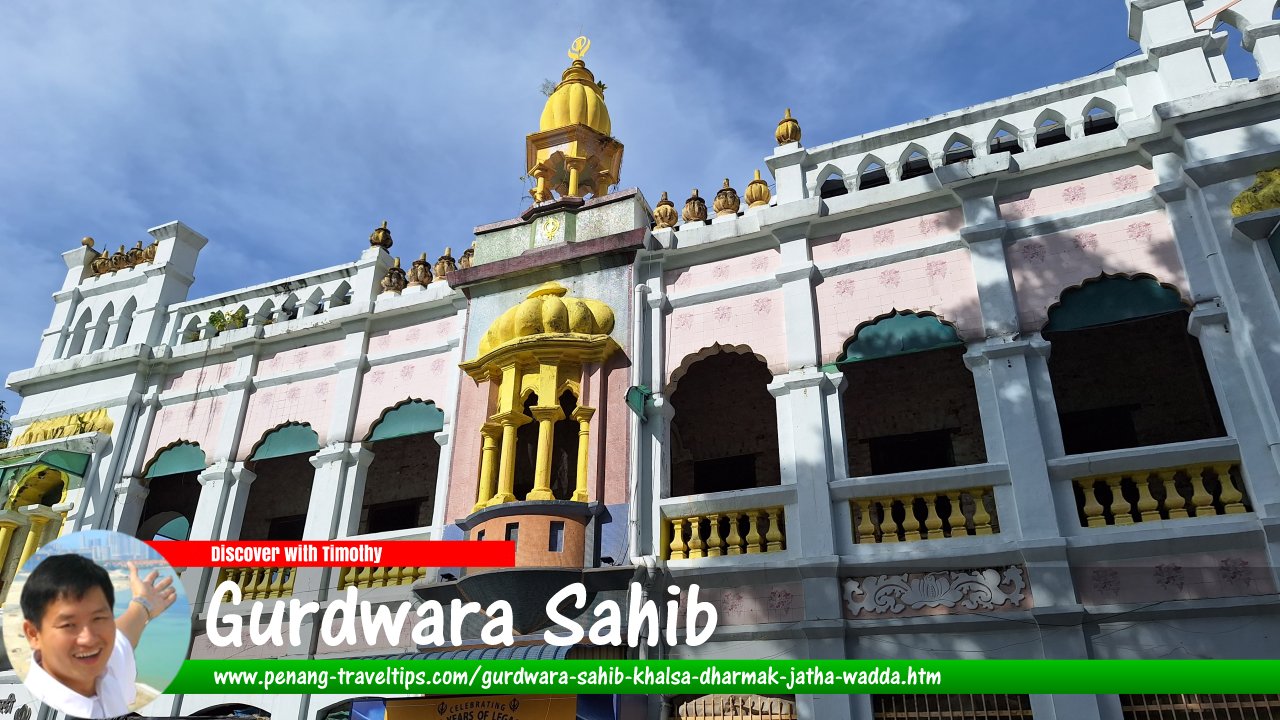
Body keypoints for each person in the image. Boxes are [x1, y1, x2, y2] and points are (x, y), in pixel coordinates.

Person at [19, 554, 177, 718]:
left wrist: (143, 604)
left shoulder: (104, 668)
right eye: (68, 625)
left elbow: (122, 638)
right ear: (33, 634)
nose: (88, 639)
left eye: (98, 618)